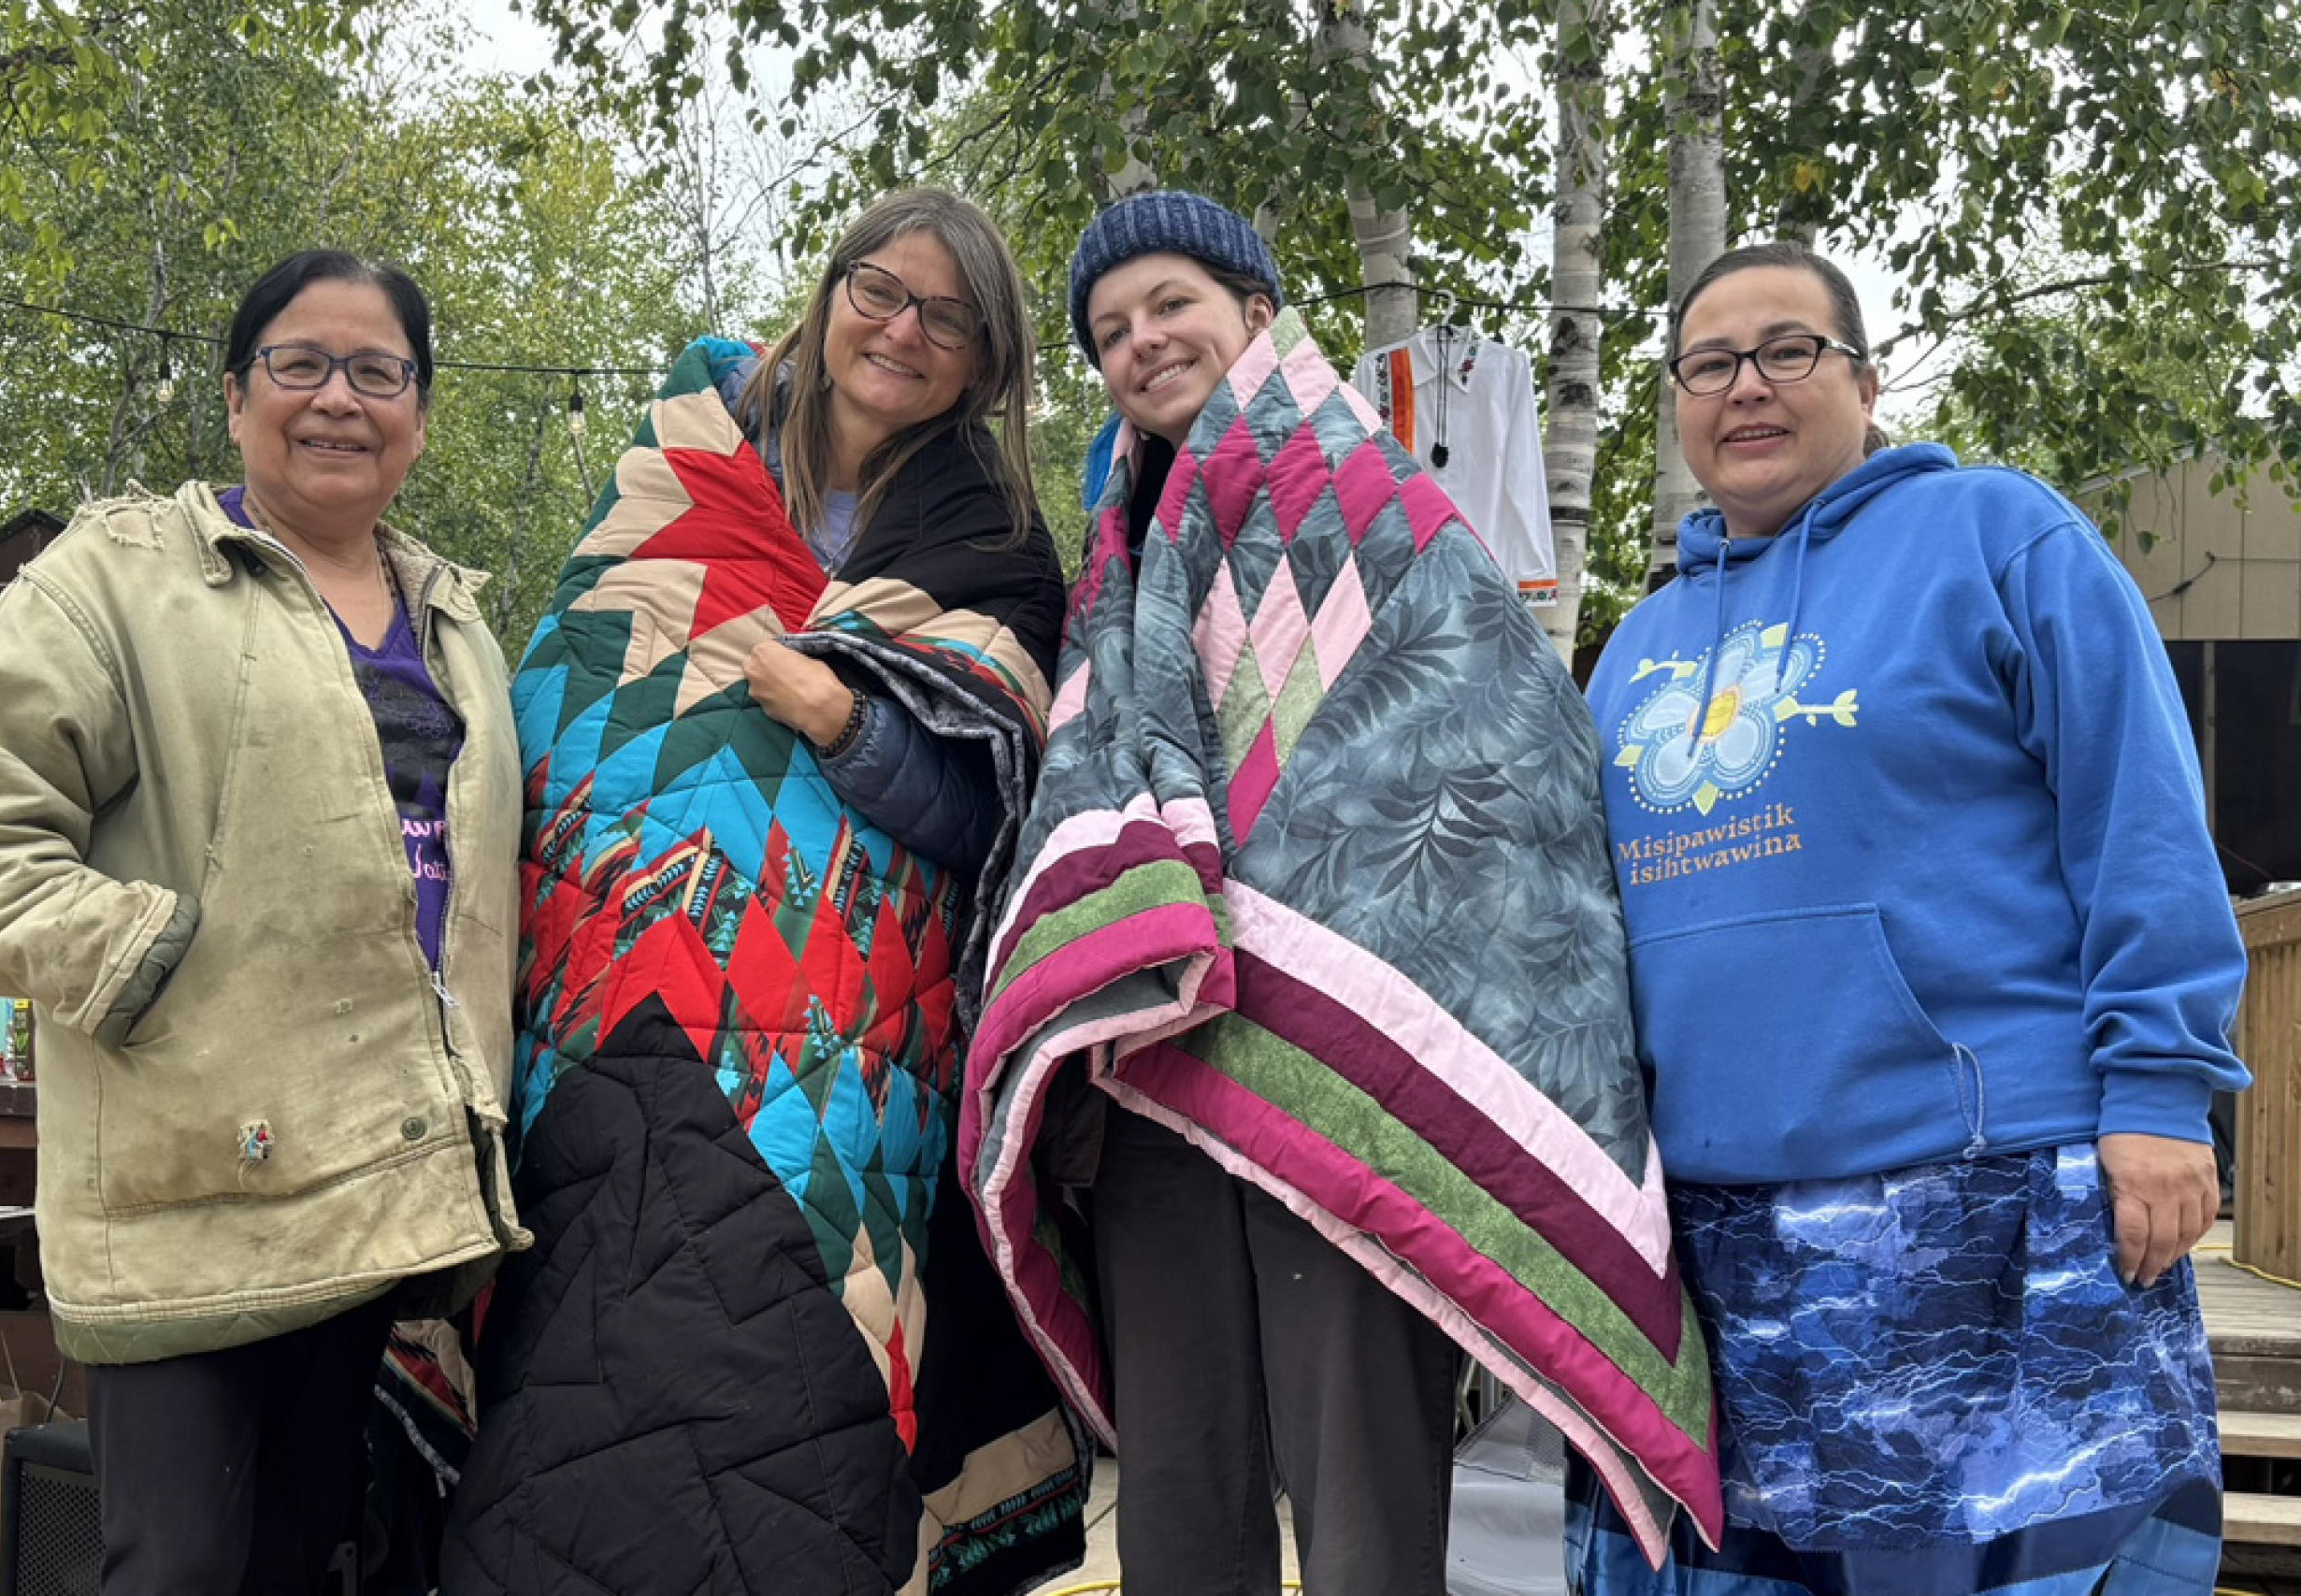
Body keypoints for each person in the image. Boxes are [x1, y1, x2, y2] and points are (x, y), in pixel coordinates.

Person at [962, 189, 1721, 1596]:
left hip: (1350, 1089)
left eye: (1172, 304)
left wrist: (1305, 929)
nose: (1143, 342)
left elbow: (1503, 763)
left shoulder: (1390, 521)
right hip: (1160, 1074)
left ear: (1257, 312)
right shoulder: (1117, 558)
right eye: (1111, 330)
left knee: (1366, 1506)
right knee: (1181, 1500)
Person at [1572, 240, 2251, 1595]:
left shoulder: (2000, 536)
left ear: (1867, 381)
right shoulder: (1641, 645)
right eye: (1709, 364)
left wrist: (2163, 1093)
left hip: (1993, 1195)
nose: (1746, 387)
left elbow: (2141, 817)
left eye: (1788, 351)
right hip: (1718, 1235)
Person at [441, 187, 1085, 1596]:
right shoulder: (670, 482)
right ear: (828, 289)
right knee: (572, 1407)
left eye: (948, 316)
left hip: (855, 1077)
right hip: (609, 1030)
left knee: (795, 1426)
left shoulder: (998, 553)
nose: (901, 330)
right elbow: (554, 742)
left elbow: (988, 819)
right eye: (879, 289)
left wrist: (839, 720)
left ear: (984, 363)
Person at [0, 250, 526, 1595]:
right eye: (300, 364)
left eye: (379, 371)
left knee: (302, 1560)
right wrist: (147, 965)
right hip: (191, 1180)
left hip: (374, 1198)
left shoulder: (455, 623)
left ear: (420, 410)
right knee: (176, 1567)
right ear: (239, 397)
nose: (338, 399)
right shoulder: (118, 584)